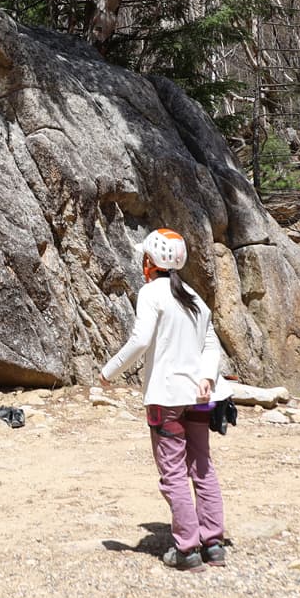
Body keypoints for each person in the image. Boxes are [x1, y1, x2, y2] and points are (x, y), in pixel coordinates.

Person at [100, 228, 231, 571]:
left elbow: (140, 340)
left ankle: (187, 549)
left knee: (173, 472)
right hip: (199, 396)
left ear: (150, 261)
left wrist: (109, 371)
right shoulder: (194, 297)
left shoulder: (150, 293)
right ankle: (213, 543)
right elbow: (211, 345)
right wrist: (206, 378)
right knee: (201, 467)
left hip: (166, 396)